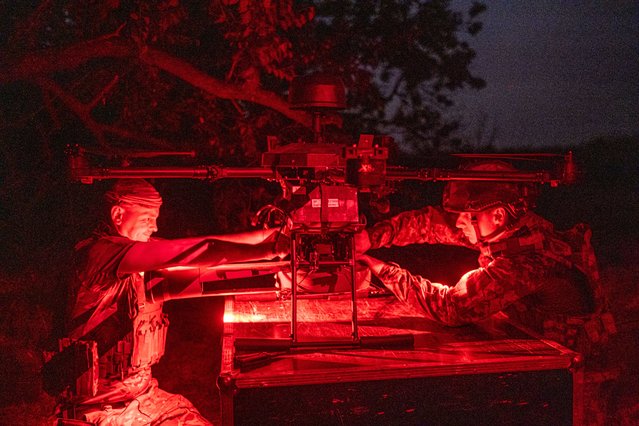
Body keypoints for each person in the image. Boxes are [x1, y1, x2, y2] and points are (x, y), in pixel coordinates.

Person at [48, 179, 288, 425]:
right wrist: (269, 249)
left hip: (141, 397)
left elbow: (199, 256)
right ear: (118, 214)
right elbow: (196, 252)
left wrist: (269, 248)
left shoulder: (137, 259)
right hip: (99, 410)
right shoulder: (99, 255)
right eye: (147, 218)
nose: (154, 227)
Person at [356, 160, 615, 358]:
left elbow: (451, 307)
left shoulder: (529, 262)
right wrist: (370, 238)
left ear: (498, 216)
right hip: (540, 356)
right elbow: (432, 223)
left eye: (467, 216)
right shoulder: (513, 231)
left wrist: (379, 267)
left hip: (574, 376)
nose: (458, 224)